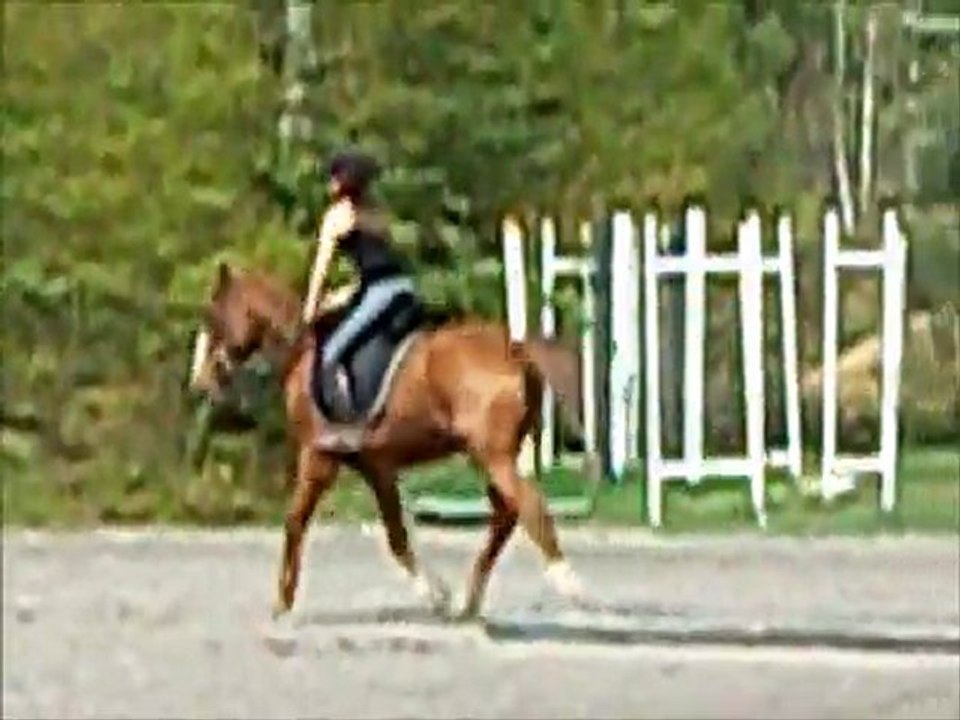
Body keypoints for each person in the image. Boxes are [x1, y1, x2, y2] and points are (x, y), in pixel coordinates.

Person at [302, 149, 419, 452]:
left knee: (331, 353)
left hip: (380, 290)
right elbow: (376, 262)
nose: (329, 182)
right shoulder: (377, 212)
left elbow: (321, 269)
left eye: (333, 176)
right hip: (404, 287)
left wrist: (310, 309)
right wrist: (347, 294)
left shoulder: (337, 216)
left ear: (342, 181)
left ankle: (348, 429)